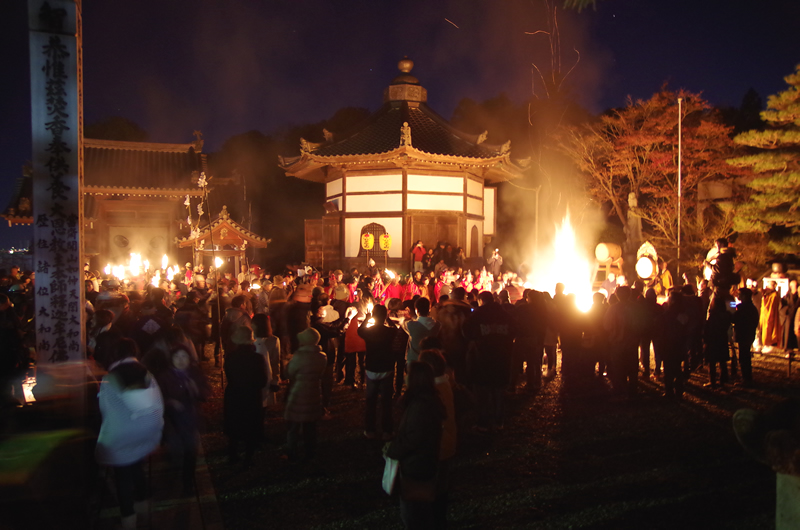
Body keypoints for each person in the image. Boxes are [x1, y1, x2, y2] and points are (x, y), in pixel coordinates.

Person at [95, 339, 164, 530]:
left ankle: (128, 518)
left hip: (122, 435)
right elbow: (157, 403)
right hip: (147, 431)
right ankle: (144, 506)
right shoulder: (147, 374)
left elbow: (106, 411)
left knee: (123, 477)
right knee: (136, 466)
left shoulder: (110, 378)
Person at [386, 361, 446, 529]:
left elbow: (413, 438)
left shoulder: (420, 406)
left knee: (413, 514)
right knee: (422, 510)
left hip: (417, 464)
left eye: (407, 374)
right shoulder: (428, 401)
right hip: (425, 461)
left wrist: (393, 450)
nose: (404, 377)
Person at [156, 347, 209, 495]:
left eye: (184, 356)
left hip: (191, 419)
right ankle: (171, 477)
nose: (180, 360)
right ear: (171, 359)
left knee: (190, 451)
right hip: (172, 421)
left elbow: (205, 393)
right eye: (177, 356)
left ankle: (187, 483)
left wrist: (196, 390)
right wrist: (170, 402)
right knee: (176, 450)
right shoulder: (164, 376)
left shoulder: (196, 374)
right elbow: (157, 398)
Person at [463, 291, 517, 431]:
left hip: (482, 358)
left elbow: (466, 331)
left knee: (482, 392)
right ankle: (499, 422)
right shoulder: (504, 314)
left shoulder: (478, 314)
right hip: (502, 358)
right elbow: (516, 329)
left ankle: (483, 423)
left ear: (481, 300)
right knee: (499, 391)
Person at [419, 349, 456, 528]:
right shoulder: (448, 384)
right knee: (442, 487)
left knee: (431, 488)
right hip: (448, 444)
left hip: (435, 447)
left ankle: (433, 521)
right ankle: (440, 519)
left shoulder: (433, 392)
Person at [224, 326, 267, 466]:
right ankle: (248, 458)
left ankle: (232, 455)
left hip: (234, 394)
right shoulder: (257, 358)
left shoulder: (230, 357)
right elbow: (262, 380)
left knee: (234, 426)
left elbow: (229, 376)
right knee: (251, 427)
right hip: (251, 395)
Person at [284, 326, 327, 463]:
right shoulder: (322, 357)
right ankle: (310, 452)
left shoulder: (299, 357)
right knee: (310, 426)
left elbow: (289, 373)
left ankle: (292, 452)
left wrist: (287, 363)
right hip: (313, 392)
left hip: (298, 393)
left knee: (294, 426)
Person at [358, 304, 397, 440]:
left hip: (372, 368)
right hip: (386, 367)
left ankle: (370, 430)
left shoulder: (369, 331)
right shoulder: (389, 332)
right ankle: (387, 430)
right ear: (385, 316)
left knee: (371, 401)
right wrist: (388, 319)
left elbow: (360, 330)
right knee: (386, 402)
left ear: (374, 315)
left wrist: (367, 318)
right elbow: (396, 329)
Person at [732, 288, 759, 386]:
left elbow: (735, 318)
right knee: (745, 356)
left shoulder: (744, 308)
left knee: (744, 358)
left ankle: (746, 379)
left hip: (744, 335)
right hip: (749, 335)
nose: (737, 296)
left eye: (739, 294)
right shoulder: (751, 308)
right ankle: (747, 377)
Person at [403, 297, 441, 365]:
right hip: (432, 361)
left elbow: (403, 322)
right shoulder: (438, 325)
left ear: (416, 310)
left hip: (414, 361)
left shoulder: (410, 325)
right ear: (429, 309)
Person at [704, 297, 732, 389]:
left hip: (713, 340)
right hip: (722, 339)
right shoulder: (726, 314)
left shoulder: (713, 316)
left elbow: (708, 328)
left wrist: (705, 339)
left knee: (712, 362)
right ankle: (723, 380)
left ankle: (712, 381)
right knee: (722, 361)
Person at [760, 281, 782, 353]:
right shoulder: (768, 294)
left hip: (770, 316)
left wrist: (764, 299)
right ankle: (764, 344)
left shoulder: (774, 295)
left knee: (769, 330)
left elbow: (770, 307)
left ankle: (769, 344)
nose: (767, 287)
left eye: (769, 286)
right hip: (765, 316)